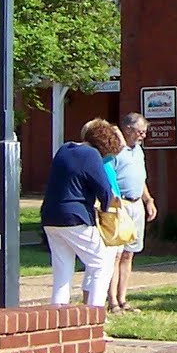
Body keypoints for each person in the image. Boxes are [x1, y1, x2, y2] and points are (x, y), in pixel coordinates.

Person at [41, 118, 120, 307]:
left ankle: (57, 319)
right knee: (101, 263)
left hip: (50, 217)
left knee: (62, 271)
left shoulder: (65, 149)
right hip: (75, 217)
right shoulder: (91, 155)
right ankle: (95, 318)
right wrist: (109, 207)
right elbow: (105, 191)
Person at [107, 112, 157, 312]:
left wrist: (148, 200)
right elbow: (108, 177)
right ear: (128, 129)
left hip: (137, 205)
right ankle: (112, 301)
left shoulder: (138, 151)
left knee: (129, 253)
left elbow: (140, 179)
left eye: (145, 132)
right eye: (140, 132)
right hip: (120, 205)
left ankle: (123, 298)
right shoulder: (115, 151)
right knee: (116, 254)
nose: (143, 136)